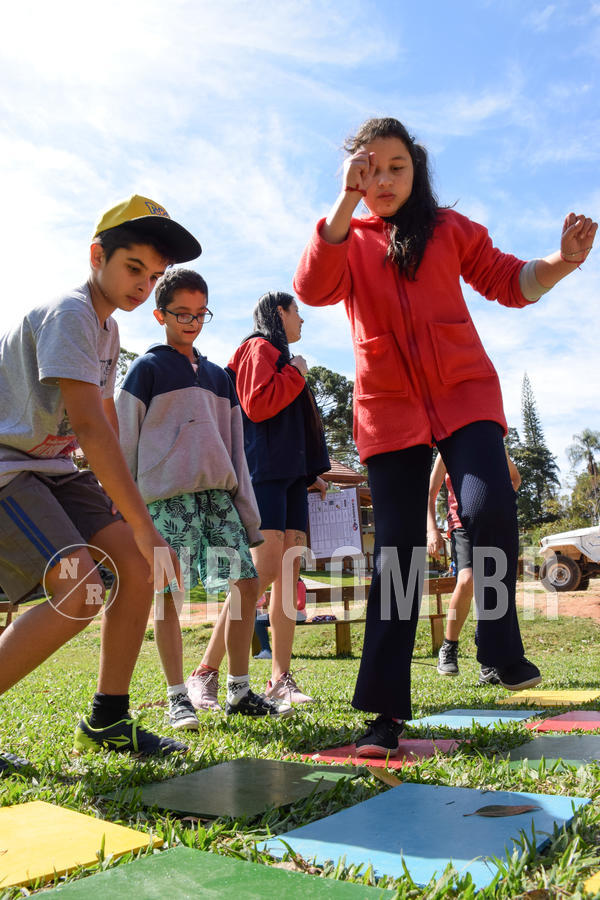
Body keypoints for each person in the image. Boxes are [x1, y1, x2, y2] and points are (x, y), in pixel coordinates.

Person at [293, 116, 597, 757]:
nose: (381, 179)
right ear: (352, 177)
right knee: (396, 558)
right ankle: (382, 713)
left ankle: (497, 648)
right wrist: (344, 205)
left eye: (394, 167)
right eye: (367, 169)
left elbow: (511, 281)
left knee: (488, 507)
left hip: (465, 396)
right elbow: (312, 289)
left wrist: (564, 264)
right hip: (389, 411)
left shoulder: (451, 230)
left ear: (416, 169)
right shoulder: (347, 238)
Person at [0, 194, 202, 773]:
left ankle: (109, 719)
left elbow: (106, 420)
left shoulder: (106, 327)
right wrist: (144, 525)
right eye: (132, 268)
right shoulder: (69, 313)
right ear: (97, 254)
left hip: (53, 468)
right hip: (10, 467)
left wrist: (134, 521)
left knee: (138, 569)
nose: (143, 285)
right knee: (81, 593)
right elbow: (87, 425)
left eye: (153, 275)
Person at [116, 268, 289, 720]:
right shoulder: (145, 369)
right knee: (168, 594)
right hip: (164, 501)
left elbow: (236, 448)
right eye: (181, 314)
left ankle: (239, 691)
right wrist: (126, 513)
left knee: (247, 586)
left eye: (200, 313)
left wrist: (246, 510)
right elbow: (123, 444)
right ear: (161, 315)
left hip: (218, 500)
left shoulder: (219, 377)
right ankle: (177, 696)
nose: (191, 322)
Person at [186, 291, 329, 708]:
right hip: (261, 474)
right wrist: (298, 374)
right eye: (297, 312)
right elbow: (257, 405)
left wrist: (312, 475)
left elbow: (290, 427)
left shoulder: (283, 360)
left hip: (291, 479)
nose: (302, 320)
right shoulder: (257, 348)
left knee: (288, 575)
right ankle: (205, 673)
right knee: (262, 572)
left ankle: (280, 678)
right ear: (279, 313)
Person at [427, 450, 521, 684]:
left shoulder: (493, 444)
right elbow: (429, 494)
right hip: (461, 524)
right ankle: (448, 647)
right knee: (468, 579)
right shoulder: (446, 452)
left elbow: (515, 478)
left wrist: (502, 505)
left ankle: (489, 662)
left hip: (491, 523)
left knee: (490, 588)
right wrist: (432, 530)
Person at [254, 578, 308, 659]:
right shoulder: (282, 584)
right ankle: (266, 650)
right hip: (282, 614)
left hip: (298, 615)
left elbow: (300, 604)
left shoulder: (299, 584)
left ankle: (281, 652)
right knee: (259, 621)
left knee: (276, 621)